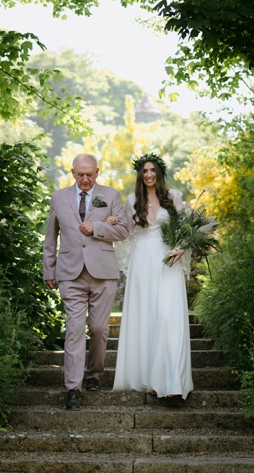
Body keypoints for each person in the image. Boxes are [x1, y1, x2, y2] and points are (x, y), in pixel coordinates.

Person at [42, 153, 131, 410]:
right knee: (74, 329)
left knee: (99, 329)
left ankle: (94, 374)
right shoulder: (58, 197)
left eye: (89, 174)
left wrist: (97, 227)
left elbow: (123, 230)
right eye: (80, 174)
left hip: (103, 273)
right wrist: (49, 269)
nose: (84, 179)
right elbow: (51, 237)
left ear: (97, 172)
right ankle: (73, 386)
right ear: (72, 173)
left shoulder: (111, 195)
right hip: (70, 273)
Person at [108, 153, 194, 401]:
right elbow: (126, 233)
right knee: (147, 318)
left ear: (159, 173)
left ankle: (173, 382)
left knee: (169, 317)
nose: (148, 174)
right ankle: (151, 380)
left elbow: (185, 230)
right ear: (140, 174)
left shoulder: (173, 197)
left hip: (168, 262)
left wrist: (182, 246)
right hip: (142, 262)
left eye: (152, 170)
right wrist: (113, 222)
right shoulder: (132, 200)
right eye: (144, 171)